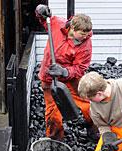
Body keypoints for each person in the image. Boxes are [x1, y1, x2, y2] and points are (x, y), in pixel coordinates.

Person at [34, 4, 96, 140]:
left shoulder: (85, 45)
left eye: (87, 34)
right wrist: (40, 10)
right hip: (49, 77)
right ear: (72, 28)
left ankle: (94, 128)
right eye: (82, 34)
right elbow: (44, 19)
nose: (85, 37)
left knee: (86, 103)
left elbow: (80, 68)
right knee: (52, 112)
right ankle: (55, 140)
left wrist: (64, 71)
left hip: (70, 78)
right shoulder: (56, 24)